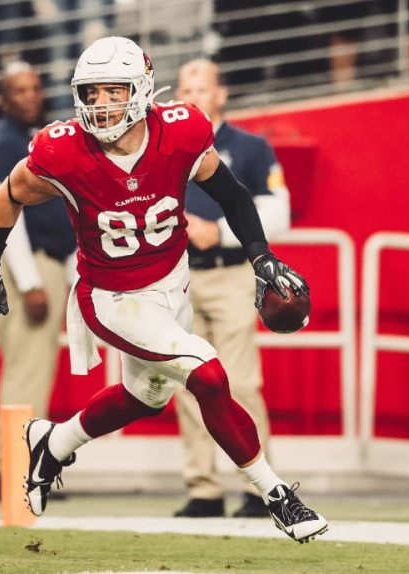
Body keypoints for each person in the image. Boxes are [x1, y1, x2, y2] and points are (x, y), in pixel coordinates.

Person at [0, 36, 328, 544]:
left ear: (140, 90)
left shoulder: (179, 133)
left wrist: (261, 257)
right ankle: (275, 495)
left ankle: (52, 443)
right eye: (91, 94)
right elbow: (9, 196)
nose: (99, 105)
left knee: (145, 396)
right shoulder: (64, 149)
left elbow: (230, 192)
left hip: (171, 285)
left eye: (112, 92)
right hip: (112, 297)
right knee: (207, 375)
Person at [171, 59, 291, 519]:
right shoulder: (164, 144)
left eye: (201, 88)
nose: (192, 96)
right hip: (176, 276)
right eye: (184, 87)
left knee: (241, 382)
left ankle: (261, 488)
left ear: (221, 95)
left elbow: (278, 211)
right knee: (187, 383)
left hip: (229, 272)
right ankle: (203, 489)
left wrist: (217, 231)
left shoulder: (251, 148)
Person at [0, 62, 76, 499]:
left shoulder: (27, 141)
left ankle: (14, 465)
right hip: (29, 267)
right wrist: (31, 280)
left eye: (35, 87)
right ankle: (13, 469)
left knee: (28, 371)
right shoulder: (3, 145)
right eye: (19, 89)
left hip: (44, 263)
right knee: (26, 373)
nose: (30, 96)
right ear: (4, 99)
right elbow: (4, 218)